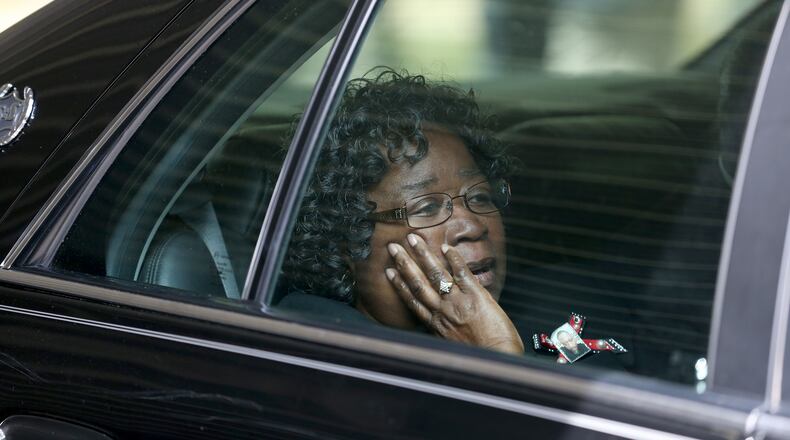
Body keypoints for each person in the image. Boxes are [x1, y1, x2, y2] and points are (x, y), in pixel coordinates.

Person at [282, 68, 524, 354]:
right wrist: (496, 350)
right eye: (428, 207)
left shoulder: (549, 316)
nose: (472, 227)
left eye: (481, 197)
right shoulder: (324, 355)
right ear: (346, 243)